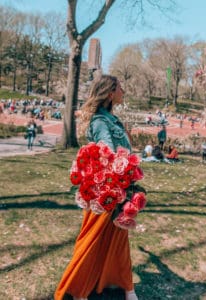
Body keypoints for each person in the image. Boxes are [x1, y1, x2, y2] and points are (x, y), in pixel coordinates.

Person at [55, 75, 138, 300]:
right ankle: (78, 287)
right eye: (120, 88)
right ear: (110, 93)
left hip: (121, 188)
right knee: (93, 238)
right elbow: (107, 154)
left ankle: (125, 286)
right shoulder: (101, 121)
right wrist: (123, 175)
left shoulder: (111, 118)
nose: (124, 91)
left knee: (118, 239)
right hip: (106, 193)